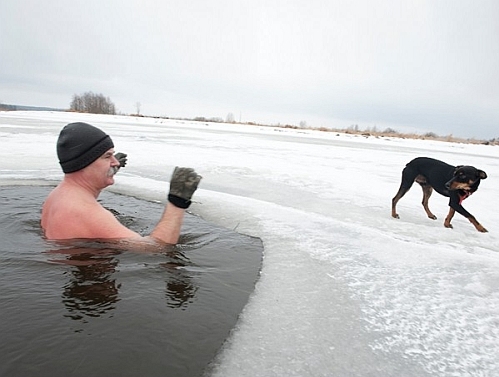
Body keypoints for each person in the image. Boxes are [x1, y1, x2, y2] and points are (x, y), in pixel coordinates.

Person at [41, 122, 201, 245]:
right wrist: (177, 202)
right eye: (107, 156)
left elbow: (85, 189)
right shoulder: (87, 213)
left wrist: (107, 170)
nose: (115, 161)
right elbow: (155, 248)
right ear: (85, 162)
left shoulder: (58, 196)